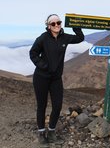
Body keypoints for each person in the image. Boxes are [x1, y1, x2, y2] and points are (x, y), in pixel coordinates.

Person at [29, 14, 84, 147]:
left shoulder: (65, 37)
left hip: (56, 79)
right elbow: (33, 53)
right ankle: (41, 133)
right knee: (41, 105)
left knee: (57, 105)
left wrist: (76, 26)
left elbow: (80, 38)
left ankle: (52, 132)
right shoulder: (43, 38)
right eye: (53, 23)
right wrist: (44, 66)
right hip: (41, 77)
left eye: (58, 22)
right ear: (48, 26)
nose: (57, 25)